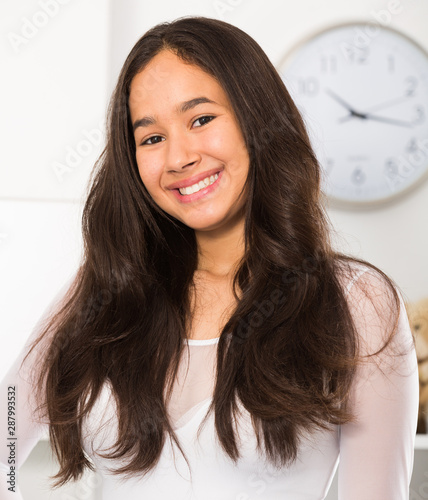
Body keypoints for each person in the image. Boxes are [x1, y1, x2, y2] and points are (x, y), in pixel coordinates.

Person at [0, 16, 419, 500]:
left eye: (201, 119)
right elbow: (8, 424)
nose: (178, 157)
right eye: (151, 138)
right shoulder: (108, 287)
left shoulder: (356, 302)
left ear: (255, 120)